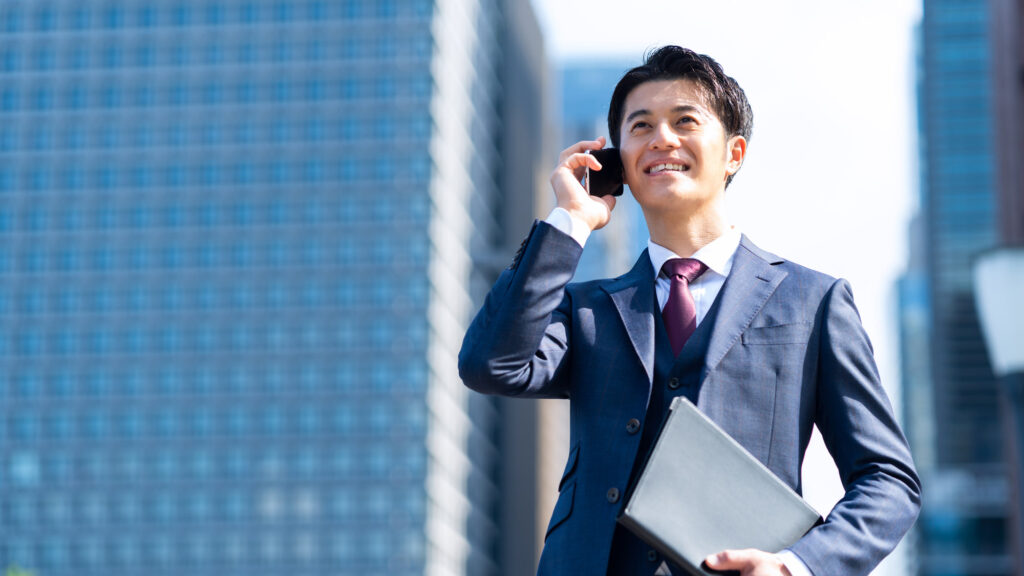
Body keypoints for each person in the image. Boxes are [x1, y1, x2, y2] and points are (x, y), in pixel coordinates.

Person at [458, 45, 920, 576]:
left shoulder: (812, 301)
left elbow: (888, 480)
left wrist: (796, 566)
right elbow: (490, 364)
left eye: (684, 121)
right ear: (620, 168)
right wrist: (570, 221)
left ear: (734, 154)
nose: (662, 139)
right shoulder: (586, 308)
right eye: (641, 127)